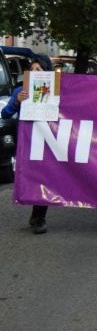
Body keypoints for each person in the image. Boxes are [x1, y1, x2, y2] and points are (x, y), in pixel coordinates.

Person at [2, 60, 49, 234]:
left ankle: (39, 217)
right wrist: (17, 102)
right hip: (27, 142)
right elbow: (5, 113)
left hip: (47, 141)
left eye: (40, 69)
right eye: (32, 69)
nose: (36, 71)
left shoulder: (55, 92)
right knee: (30, 177)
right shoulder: (19, 92)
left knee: (44, 178)